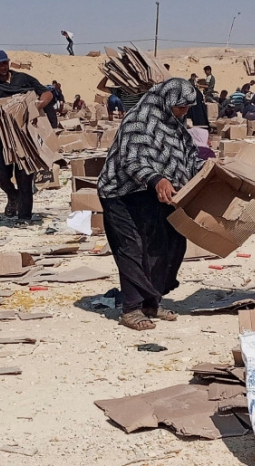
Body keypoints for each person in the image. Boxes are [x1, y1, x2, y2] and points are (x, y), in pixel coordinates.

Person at [96, 78, 200, 330]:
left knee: (165, 246)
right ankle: (131, 309)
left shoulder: (174, 124)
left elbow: (189, 157)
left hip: (152, 195)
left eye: (188, 107)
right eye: (181, 106)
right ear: (167, 100)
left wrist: (208, 171)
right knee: (131, 248)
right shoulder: (137, 121)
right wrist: (157, 179)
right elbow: (131, 160)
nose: (185, 111)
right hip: (121, 193)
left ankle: (151, 303)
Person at [0, 50, 53, 222]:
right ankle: (12, 195)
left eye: (5, 63)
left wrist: (38, 105)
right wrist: (6, 112)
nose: (3, 67)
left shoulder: (24, 78)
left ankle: (24, 216)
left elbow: (46, 93)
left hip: (25, 132)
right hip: (0, 132)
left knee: (24, 174)